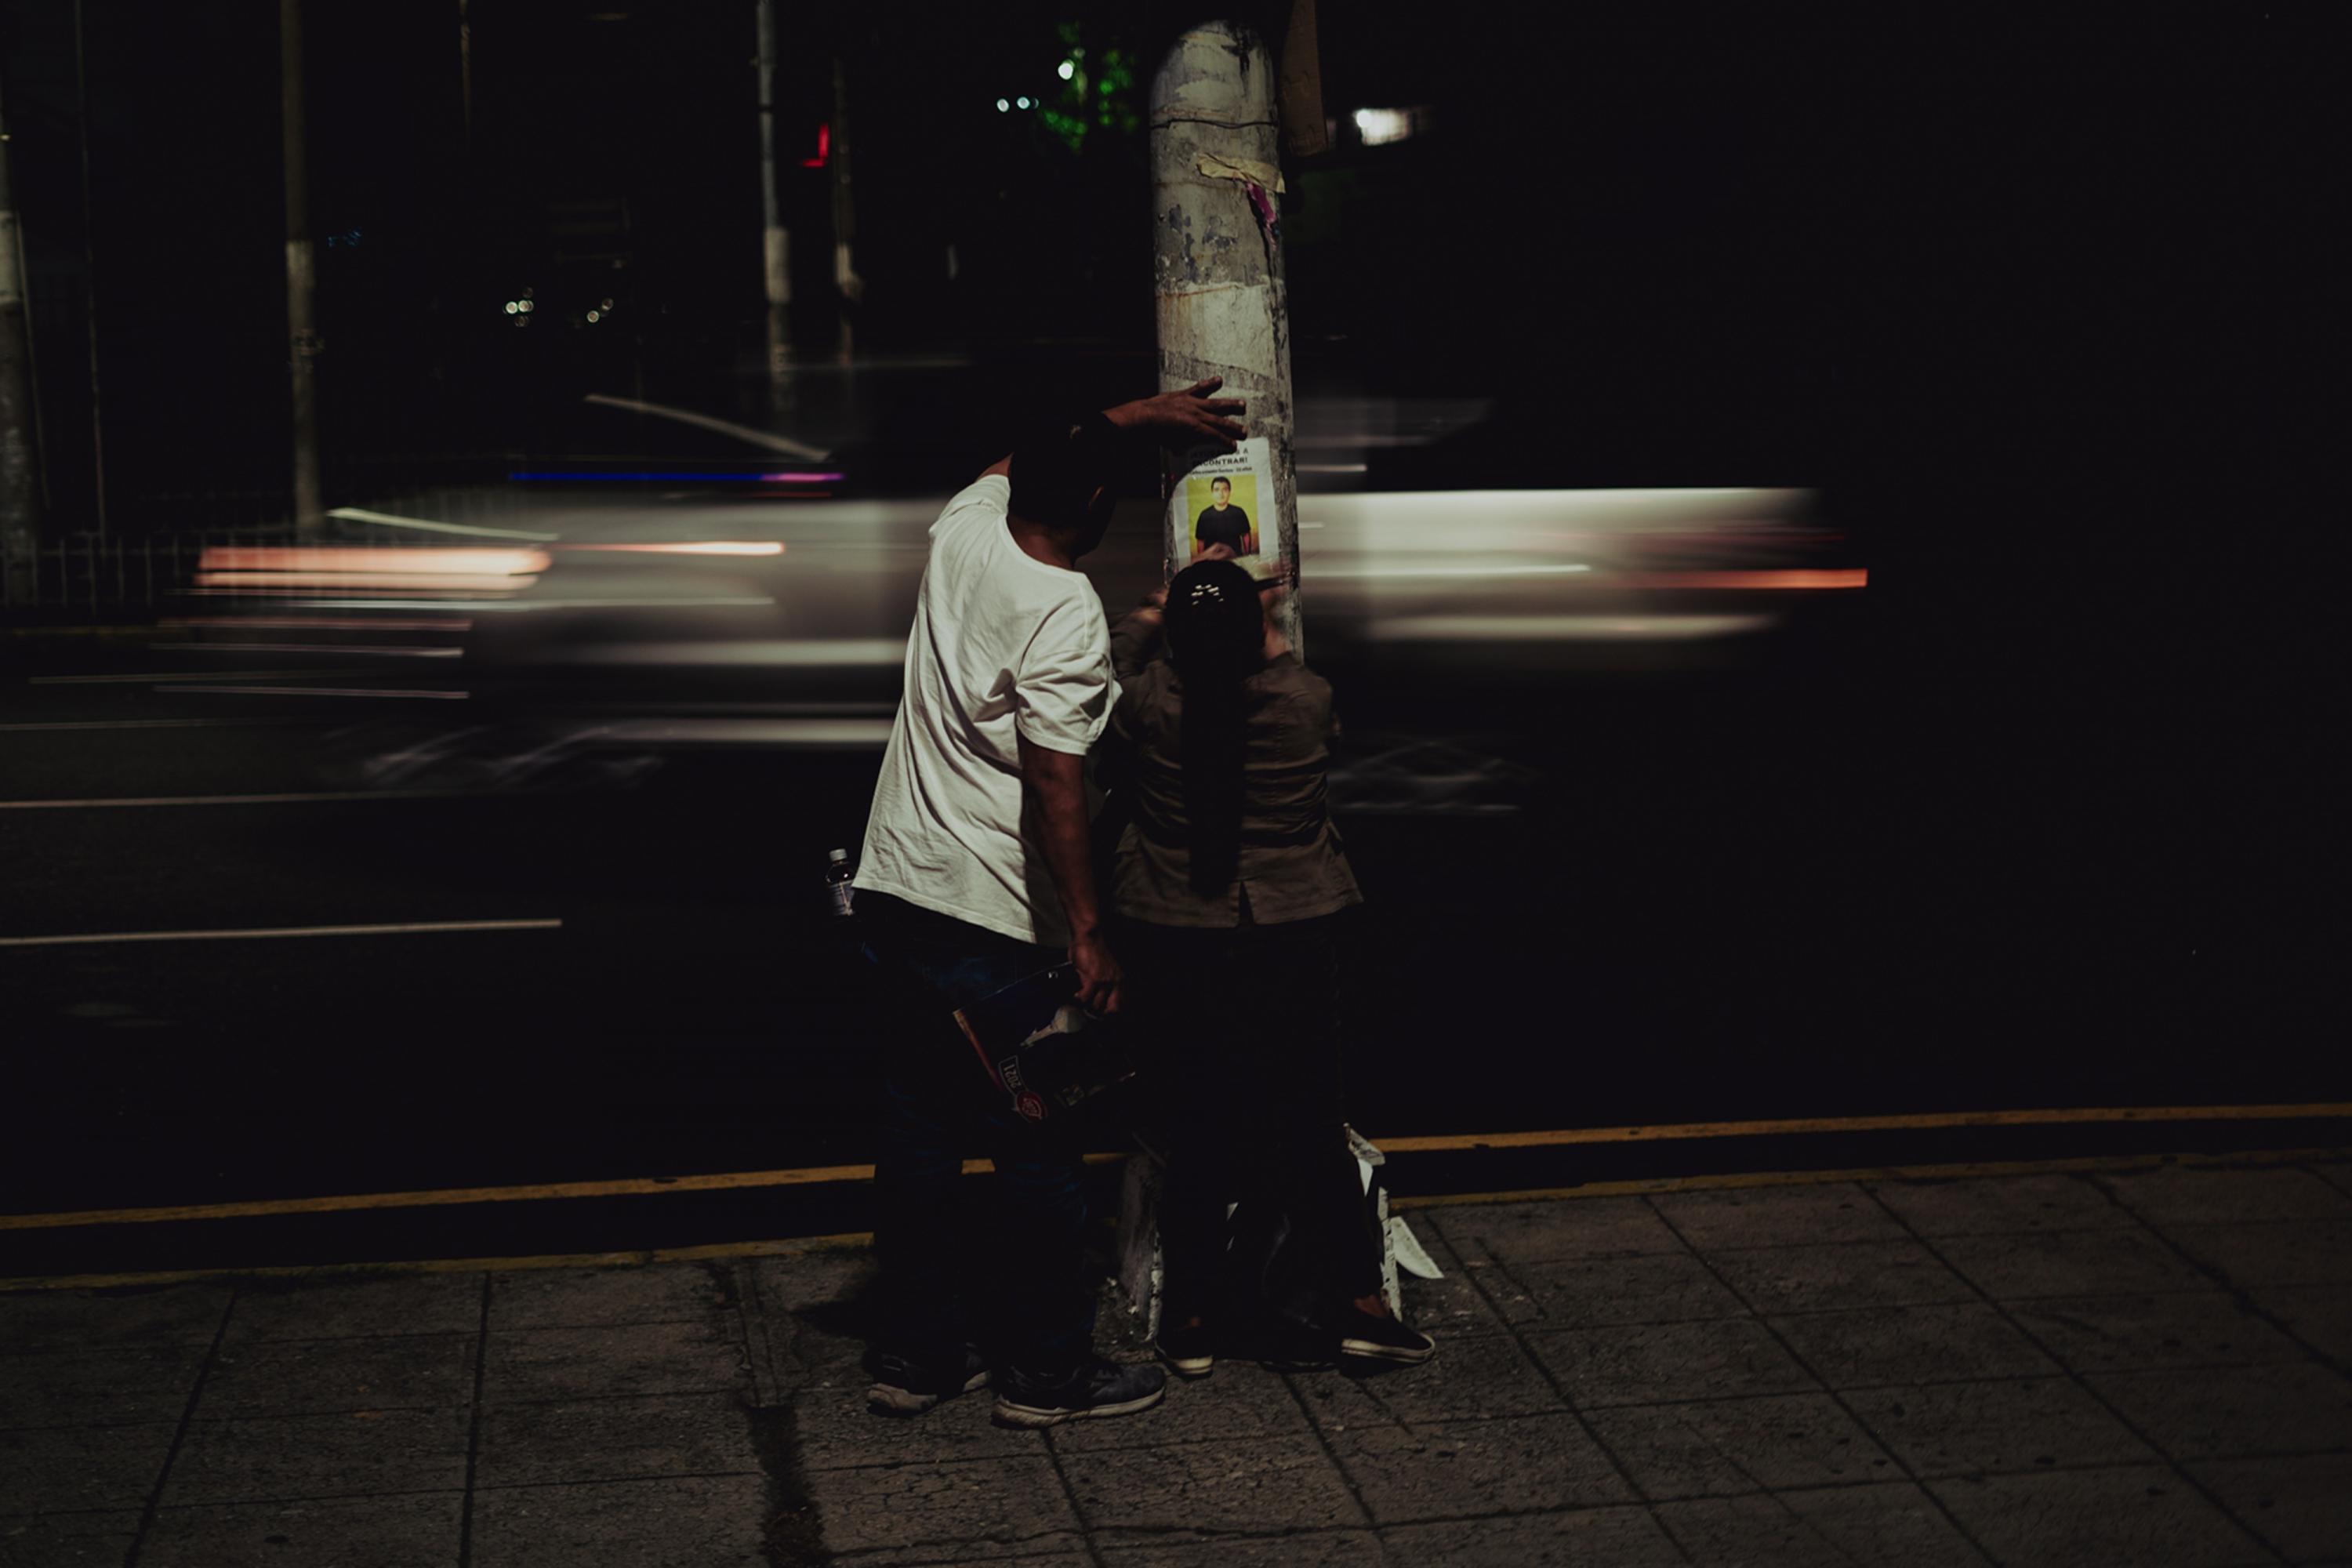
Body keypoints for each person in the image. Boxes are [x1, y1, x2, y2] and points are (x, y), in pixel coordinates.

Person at [851, 378, 1247, 1430]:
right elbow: (1057, 781)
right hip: (994, 920)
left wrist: (1124, 419)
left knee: (920, 1138)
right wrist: (1087, 930)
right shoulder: (1061, 606)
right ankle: (1046, 1376)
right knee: (1036, 1145)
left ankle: (916, 1358)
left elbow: (1005, 464)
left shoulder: (966, 533)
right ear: (1101, 503)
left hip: (894, 890)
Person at [1099, 553, 1436, 1377]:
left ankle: (1189, 1320)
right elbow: (1280, 661)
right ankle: (1358, 1306)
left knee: (1198, 1125)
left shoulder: (1149, 705)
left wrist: (1154, 606)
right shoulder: (1301, 701)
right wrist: (1264, 609)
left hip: (1181, 934)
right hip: (1292, 931)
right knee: (1310, 1124)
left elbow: (1113, 664)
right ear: (1256, 633)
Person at [1190, 475, 1256, 558]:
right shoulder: (1204, 515)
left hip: (1235, 560)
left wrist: (1247, 556)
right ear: (1212, 493)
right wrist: (1202, 561)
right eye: (1217, 490)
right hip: (1212, 562)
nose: (1221, 494)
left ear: (1230, 492)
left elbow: (1246, 535)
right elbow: (1200, 541)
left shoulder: (1238, 512)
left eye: (1224, 490)